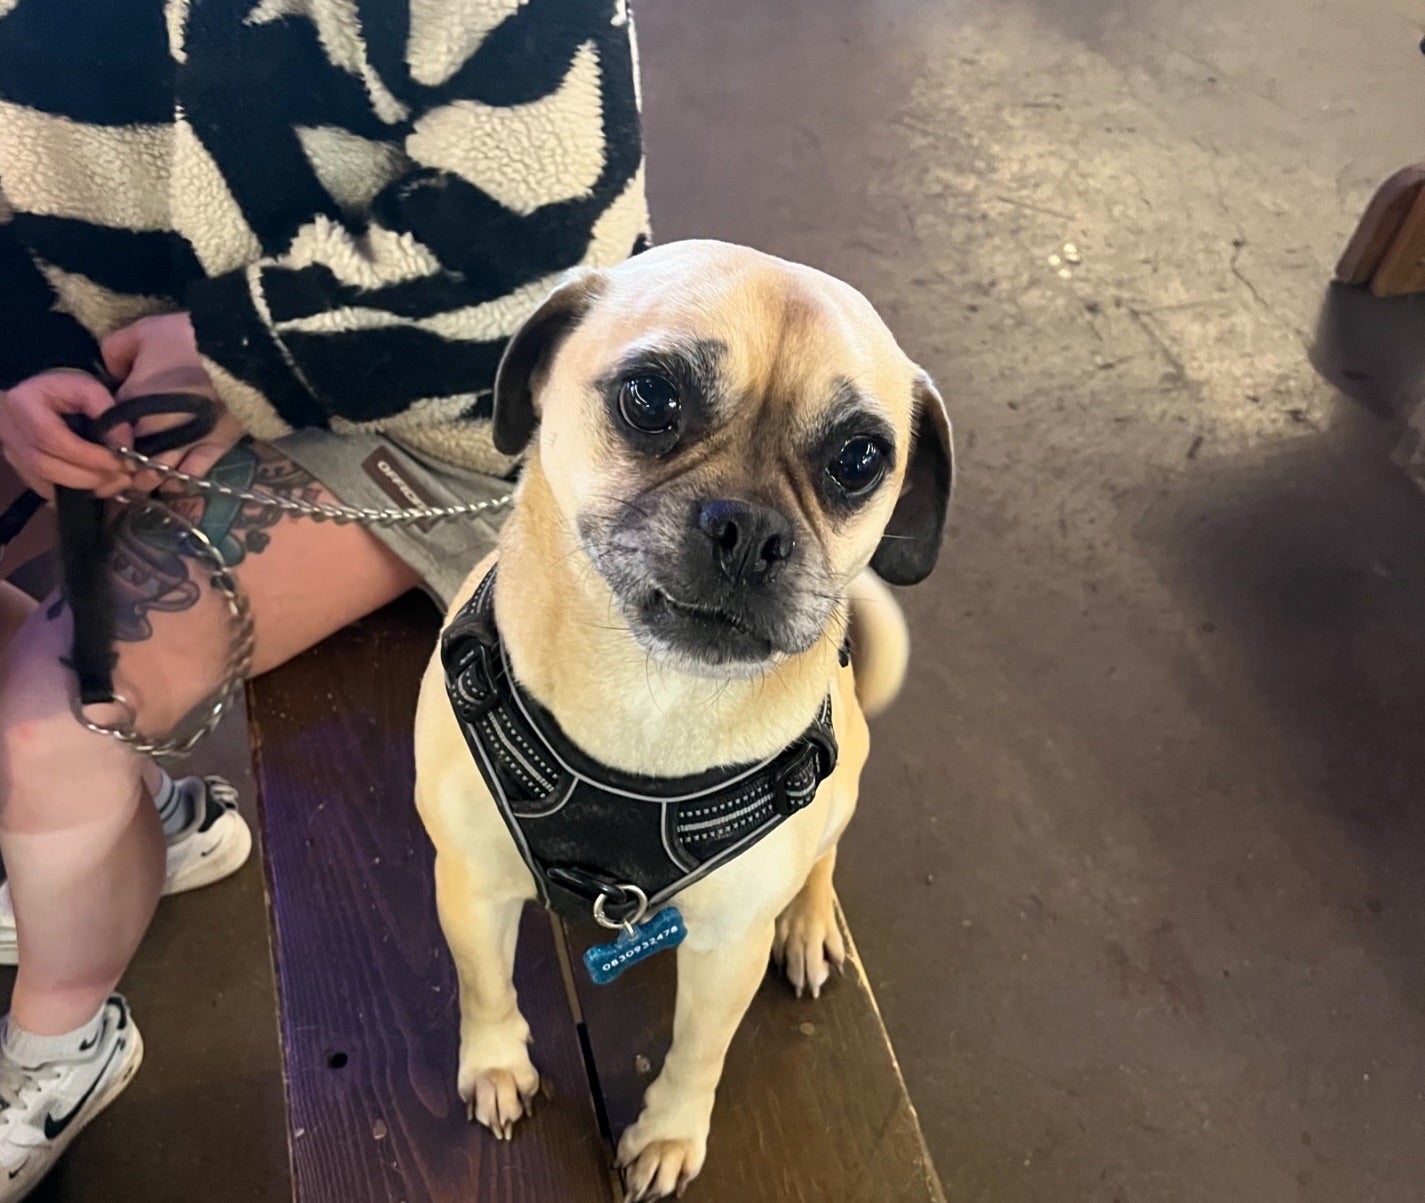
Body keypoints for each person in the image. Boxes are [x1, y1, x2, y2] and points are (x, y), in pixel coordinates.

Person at [0, 0, 648, 1195]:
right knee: (50, 759)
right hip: (142, 372)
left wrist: (230, 350)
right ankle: (119, 829)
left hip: (434, 419)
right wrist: (26, 349)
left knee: (50, 731)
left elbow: (545, 269)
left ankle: (59, 1036)